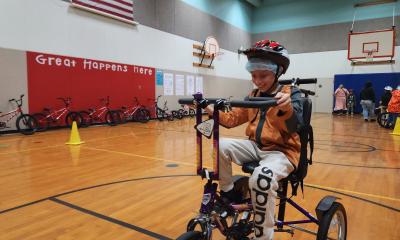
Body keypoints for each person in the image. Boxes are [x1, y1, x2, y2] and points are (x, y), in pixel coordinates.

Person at [201, 39, 302, 240]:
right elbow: (232, 120)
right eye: (253, 76)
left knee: (260, 178)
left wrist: (287, 108)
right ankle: (230, 192)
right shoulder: (253, 95)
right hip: (256, 146)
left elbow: (295, 128)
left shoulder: (290, 94)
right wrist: (211, 111)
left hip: (282, 153)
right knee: (220, 145)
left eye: (263, 76)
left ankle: (263, 236)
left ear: (278, 71)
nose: (257, 81)